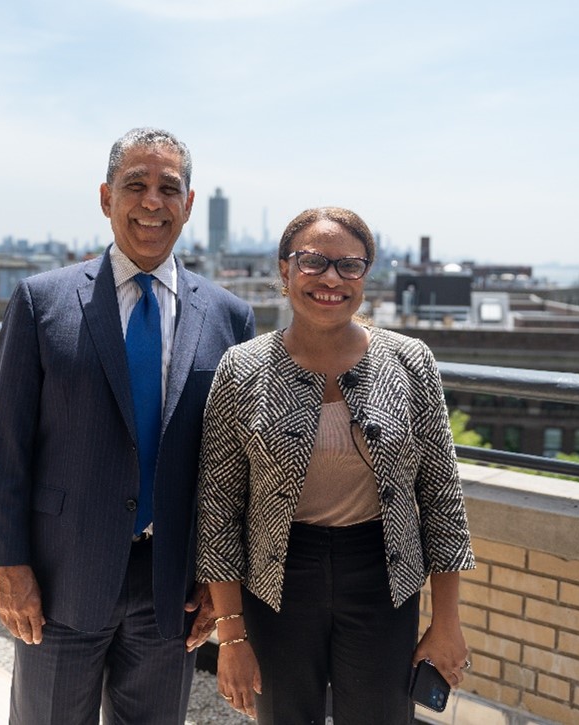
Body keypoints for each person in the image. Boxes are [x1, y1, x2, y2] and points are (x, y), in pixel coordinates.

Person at [0, 127, 256, 725]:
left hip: (173, 589)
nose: (152, 202)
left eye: (168, 188)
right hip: (59, 580)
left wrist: (222, 581)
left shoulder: (230, 317)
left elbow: (235, 468)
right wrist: (9, 563)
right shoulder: (40, 302)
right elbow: (7, 449)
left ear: (188, 203)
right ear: (106, 198)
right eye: (136, 185)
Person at [196, 207, 476, 724]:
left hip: (383, 576)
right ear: (285, 270)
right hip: (277, 580)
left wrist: (447, 622)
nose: (331, 278)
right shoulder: (242, 368)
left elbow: (442, 501)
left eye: (350, 265)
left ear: (367, 275)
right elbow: (219, 510)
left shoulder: (410, 361)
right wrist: (231, 634)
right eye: (313, 261)